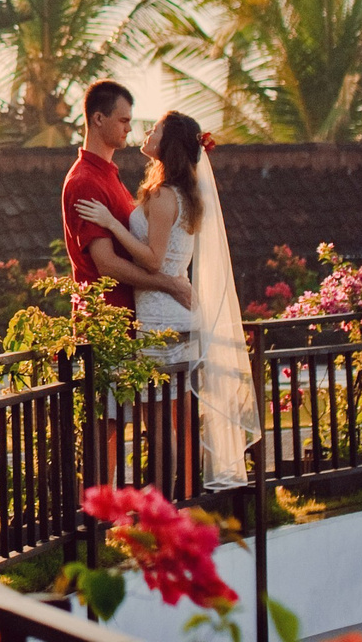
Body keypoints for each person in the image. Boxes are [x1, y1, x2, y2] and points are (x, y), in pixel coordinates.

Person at [71, 105, 260, 492]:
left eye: (154, 129)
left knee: (155, 422)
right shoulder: (185, 194)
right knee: (164, 418)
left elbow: (153, 259)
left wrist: (110, 224)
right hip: (177, 316)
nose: (146, 133)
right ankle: (173, 499)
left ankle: (159, 504)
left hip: (159, 318)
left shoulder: (162, 196)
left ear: (167, 144)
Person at [61, 81, 193, 318]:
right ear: (99, 119)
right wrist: (170, 284)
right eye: (123, 121)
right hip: (104, 325)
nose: (130, 129)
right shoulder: (85, 181)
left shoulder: (109, 174)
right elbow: (107, 264)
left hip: (132, 320)